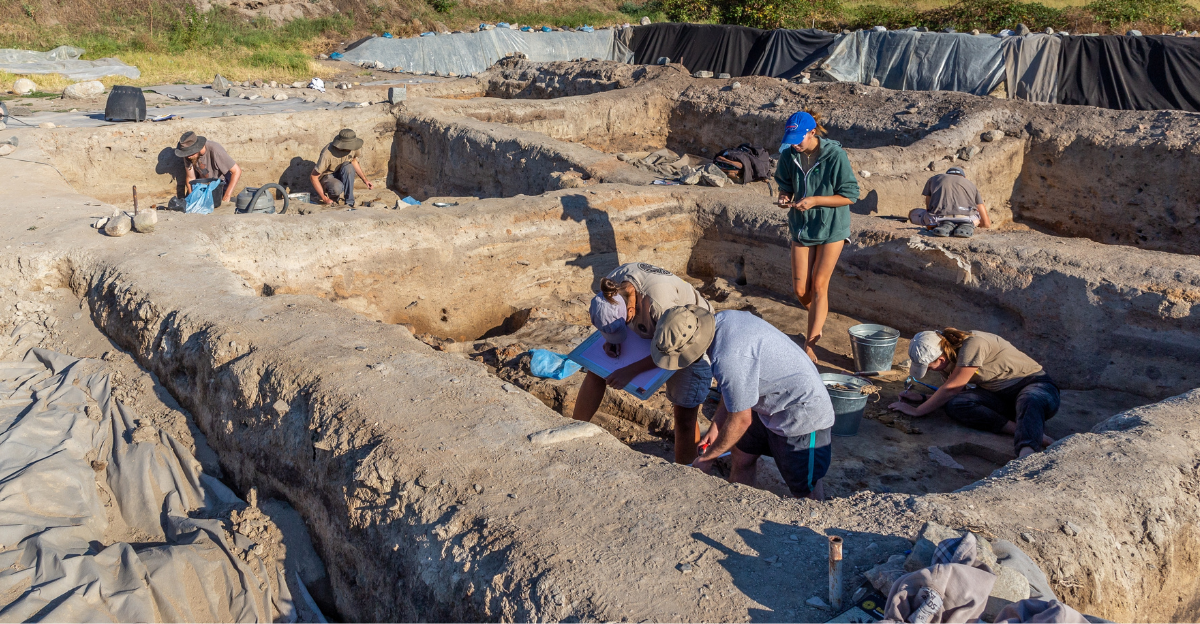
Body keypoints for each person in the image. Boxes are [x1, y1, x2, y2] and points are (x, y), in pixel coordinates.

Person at [652, 305, 835, 499]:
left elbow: (740, 420)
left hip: (801, 415)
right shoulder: (724, 321)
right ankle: (739, 506)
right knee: (742, 456)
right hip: (765, 404)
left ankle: (810, 523)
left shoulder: (728, 358)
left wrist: (708, 457)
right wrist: (716, 426)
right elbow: (734, 391)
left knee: (805, 489)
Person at [573, 262, 714, 465]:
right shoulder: (612, 288)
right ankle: (573, 428)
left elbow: (673, 348)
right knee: (597, 370)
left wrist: (630, 371)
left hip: (689, 334)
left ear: (631, 311)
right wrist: (610, 341)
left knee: (684, 413)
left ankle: (687, 472)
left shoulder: (658, 304)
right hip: (658, 326)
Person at [888, 329, 1058, 458]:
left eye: (930, 367)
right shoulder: (947, 358)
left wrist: (918, 411)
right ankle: (1024, 429)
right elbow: (956, 393)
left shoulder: (973, 344)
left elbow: (952, 388)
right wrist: (923, 398)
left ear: (940, 359)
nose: (932, 371)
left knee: (1030, 399)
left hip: (1037, 387)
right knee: (956, 404)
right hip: (1000, 397)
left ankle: (1026, 452)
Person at [773, 111, 860, 363]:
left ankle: (810, 344)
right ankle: (819, 315)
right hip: (801, 226)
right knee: (801, 289)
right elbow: (785, 184)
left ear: (812, 132)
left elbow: (850, 195)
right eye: (791, 139)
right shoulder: (789, 154)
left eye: (799, 138)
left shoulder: (835, 155)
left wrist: (815, 201)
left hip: (832, 226)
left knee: (820, 284)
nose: (795, 144)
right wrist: (784, 196)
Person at [910, 167, 992, 238]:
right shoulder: (970, 184)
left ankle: (947, 224)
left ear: (947, 175)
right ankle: (966, 225)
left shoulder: (935, 178)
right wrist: (976, 225)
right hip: (967, 219)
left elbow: (928, 205)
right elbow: (986, 223)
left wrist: (930, 215)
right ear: (964, 177)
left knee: (913, 213)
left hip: (938, 218)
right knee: (976, 217)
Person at [176, 131, 241, 208]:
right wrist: (192, 197)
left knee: (215, 206)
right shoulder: (188, 155)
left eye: (190, 153)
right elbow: (190, 177)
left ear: (197, 148)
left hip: (219, 183)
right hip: (202, 183)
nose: (188, 157)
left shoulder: (215, 150)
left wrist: (227, 196)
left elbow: (237, 171)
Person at [311, 129, 373, 206]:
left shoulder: (353, 147)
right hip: (328, 176)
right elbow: (313, 177)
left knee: (349, 167)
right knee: (337, 187)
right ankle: (333, 200)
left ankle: (349, 202)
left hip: (342, 172)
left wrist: (365, 180)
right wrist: (324, 198)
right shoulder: (327, 154)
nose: (351, 148)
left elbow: (353, 161)